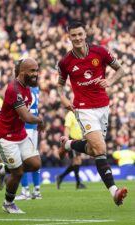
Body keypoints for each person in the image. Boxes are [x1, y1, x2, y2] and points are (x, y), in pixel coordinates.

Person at [57, 21, 128, 206]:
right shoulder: (66, 62)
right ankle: (114, 192)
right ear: (69, 37)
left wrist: (110, 81)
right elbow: (59, 86)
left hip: (103, 106)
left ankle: (68, 145)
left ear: (85, 34)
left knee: (93, 149)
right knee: (100, 149)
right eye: (74, 35)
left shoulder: (100, 52)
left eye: (80, 34)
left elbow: (120, 69)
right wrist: (63, 99)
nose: (78, 38)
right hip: (83, 108)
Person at [0, 58, 45, 214]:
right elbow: (27, 117)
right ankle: (8, 203)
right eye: (32, 71)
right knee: (18, 172)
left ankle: (3, 169)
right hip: (4, 136)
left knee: (35, 164)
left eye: (37, 70)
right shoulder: (14, 89)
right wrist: (40, 120)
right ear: (22, 72)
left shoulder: (27, 86)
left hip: (19, 133)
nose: (36, 73)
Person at [15, 86, 42, 200]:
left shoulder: (24, 89)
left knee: (23, 159)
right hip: (33, 127)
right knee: (33, 157)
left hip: (27, 127)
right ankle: (36, 191)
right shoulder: (36, 88)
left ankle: (25, 191)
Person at [55, 111, 87, 189]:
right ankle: (78, 183)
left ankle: (60, 177)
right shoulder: (70, 114)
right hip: (72, 141)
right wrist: (66, 144)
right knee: (77, 161)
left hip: (79, 141)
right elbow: (67, 128)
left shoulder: (78, 113)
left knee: (76, 162)